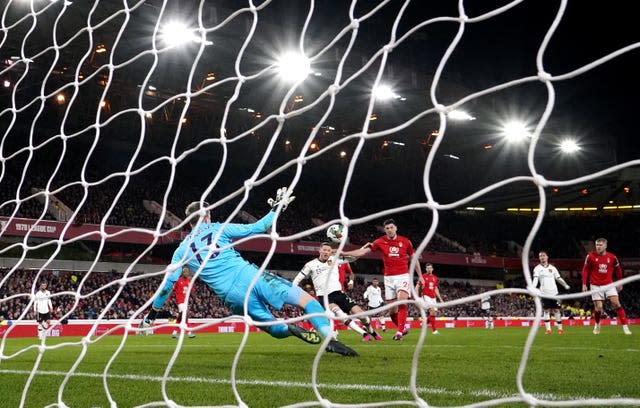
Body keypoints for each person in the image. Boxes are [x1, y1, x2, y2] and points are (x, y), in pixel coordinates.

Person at [141, 188, 358, 356]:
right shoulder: (217, 228)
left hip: (231, 297)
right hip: (251, 276)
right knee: (309, 302)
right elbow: (259, 227)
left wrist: (152, 315)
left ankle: (290, 328)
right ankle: (329, 339)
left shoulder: (181, 252)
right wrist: (278, 208)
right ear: (206, 215)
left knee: (274, 329)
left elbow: (167, 286)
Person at [343, 218, 422, 341]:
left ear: (396, 228)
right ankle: (403, 328)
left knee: (401, 301)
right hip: (388, 278)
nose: (389, 230)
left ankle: (400, 332)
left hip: (403, 276)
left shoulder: (406, 242)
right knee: (391, 312)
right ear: (384, 230)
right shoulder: (380, 241)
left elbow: (414, 259)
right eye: (387, 228)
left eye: (391, 227)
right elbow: (362, 252)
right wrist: (343, 252)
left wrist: (420, 276)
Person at [292, 243, 382, 342]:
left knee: (362, 316)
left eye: (328, 250)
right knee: (338, 312)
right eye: (324, 250)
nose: (326, 252)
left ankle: (370, 330)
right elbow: (298, 278)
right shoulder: (311, 264)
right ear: (320, 251)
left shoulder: (334, 260)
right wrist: (292, 291)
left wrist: (361, 250)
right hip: (324, 297)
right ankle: (364, 333)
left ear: (331, 252)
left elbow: (352, 258)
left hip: (339, 294)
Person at [581, 238, 631, 335]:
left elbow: (618, 270)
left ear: (605, 246)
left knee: (616, 303)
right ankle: (597, 324)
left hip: (609, 284)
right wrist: (584, 284)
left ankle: (625, 327)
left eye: (600, 245)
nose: (598, 247)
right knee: (598, 308)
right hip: (595, 285)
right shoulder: (590, 256)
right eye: (597, 245)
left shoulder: (612, 257)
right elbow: (585, 270)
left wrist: (620, 282)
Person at [532, 251, 570, 335]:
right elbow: (535, 279)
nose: (542, 257)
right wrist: (533, 288)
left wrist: (565, 285)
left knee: (557, 310)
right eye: (540, 256)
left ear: (547, 257)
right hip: (544, 293)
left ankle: (560, 329)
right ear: (539, 258)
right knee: (546, 311)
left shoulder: (553, 268)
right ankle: (548, 329)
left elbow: (558, 278)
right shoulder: (537, 268)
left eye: (543, 255)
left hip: (554, 293)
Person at [415, 263, 443, 335]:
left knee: (433, 313)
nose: (429, 269)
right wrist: (416, 297)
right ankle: (434, 331)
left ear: (432, 269)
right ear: (426, 269)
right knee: (432, 311)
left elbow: (436, 288)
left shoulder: (435, 278)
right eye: (427, 268)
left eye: (430, 268)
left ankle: (424, 324)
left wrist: (440, 299)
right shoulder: (423, 276)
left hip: (433, 297)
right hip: (425, 296)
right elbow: (417, 286)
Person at [171, 266, 196, 339]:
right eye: (185, 272)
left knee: (181, 318)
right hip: (180, 301)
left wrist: (195, 298)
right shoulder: (178, 281)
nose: (187, 273)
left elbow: (192, 291)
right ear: (182, 273)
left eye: (188, 272)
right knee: (185, 315)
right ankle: (189, 332)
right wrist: (168, 300)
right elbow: (173, 290)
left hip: (185, 302)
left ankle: (174, 333)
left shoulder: (189, 281)